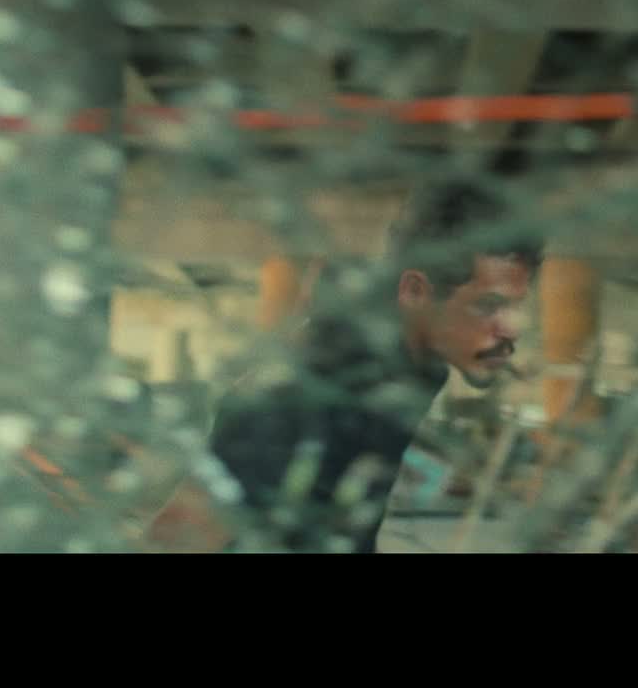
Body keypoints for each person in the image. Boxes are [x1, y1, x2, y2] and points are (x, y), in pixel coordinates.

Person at [145, 178, 542, 553]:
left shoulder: (418, 365)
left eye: (514, 306)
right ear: (415, 291)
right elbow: (174, 538)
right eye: (487, 306)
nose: (511, 329)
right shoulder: (314, 389)